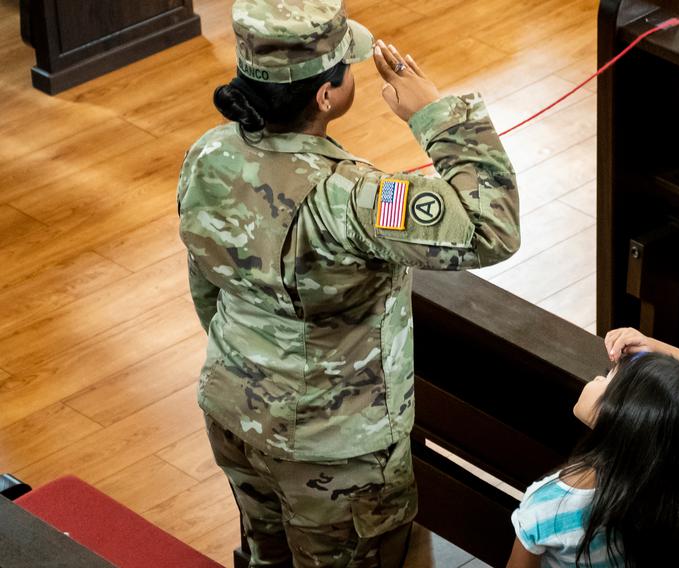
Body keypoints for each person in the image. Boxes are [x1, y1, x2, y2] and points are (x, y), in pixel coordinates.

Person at [176, 0, 520, 565]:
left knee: (268, 557)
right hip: (334, 451)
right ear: (326, 95)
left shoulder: (208, 154)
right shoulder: (355, 198)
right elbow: (492, 227)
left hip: (233, 411)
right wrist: (434, 115)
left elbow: (206, 284)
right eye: (348, 68)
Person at [507, 328, 679, 568]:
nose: (597, 379)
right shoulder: (662, 466)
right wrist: (647, 344)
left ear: (617, 415)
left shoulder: (547, 504)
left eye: (607, 377)